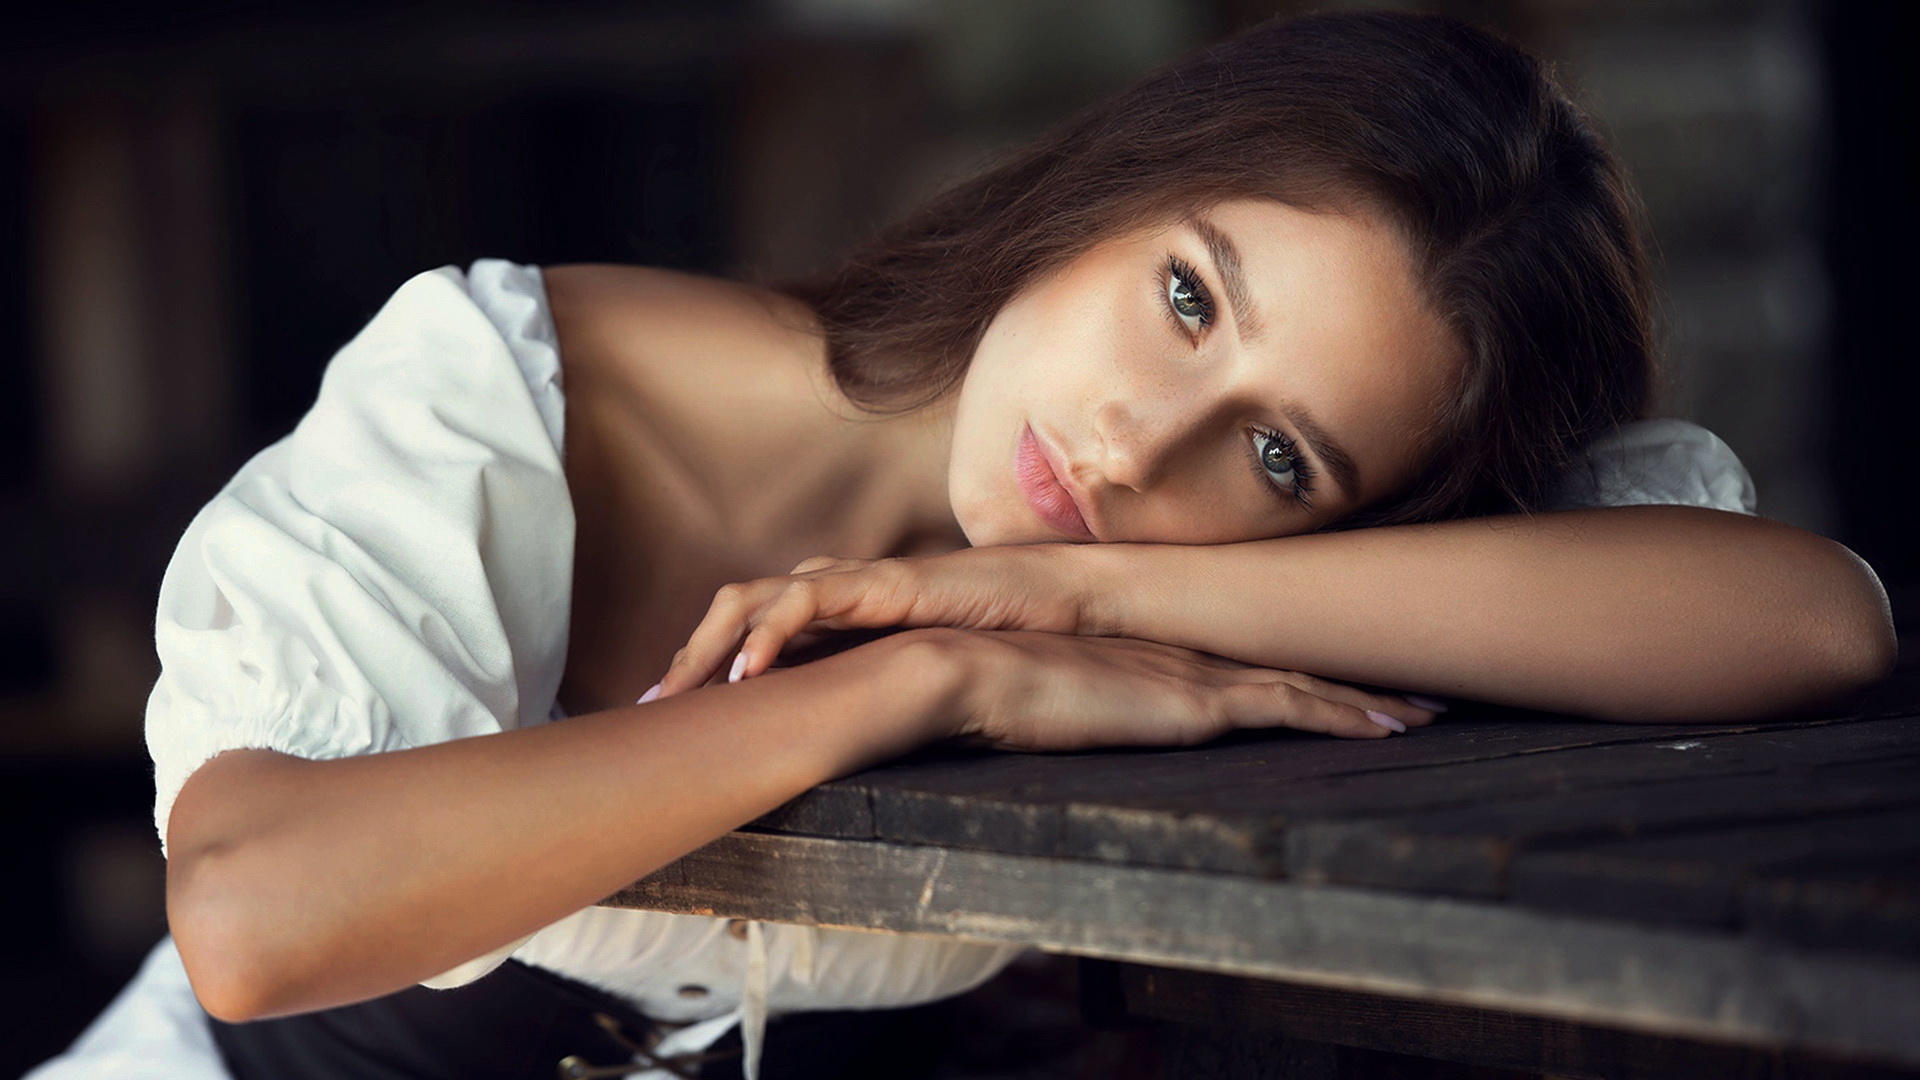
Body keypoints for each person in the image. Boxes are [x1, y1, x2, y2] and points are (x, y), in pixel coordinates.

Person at [28, 9, 1895, 1080]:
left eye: (1275, 448)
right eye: (1186, 294)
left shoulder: (1164, 557)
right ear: (1112, 187)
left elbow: (1806, 621)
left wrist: (1082, 587)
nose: (1134, 443)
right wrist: (926, 675)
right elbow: (259, 919)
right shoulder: (532, 395)